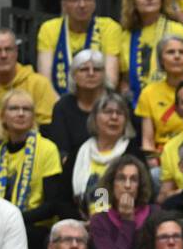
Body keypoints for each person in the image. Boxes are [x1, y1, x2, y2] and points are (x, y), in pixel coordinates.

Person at [0, 89, 66, 249]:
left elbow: (52, 205)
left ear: (33, 117)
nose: (21, 114)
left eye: (27, 109)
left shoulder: (47, 149)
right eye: (14, 109)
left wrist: (14, 220)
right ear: (2, 116)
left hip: (36, 226)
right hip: (0, 226)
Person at [0, 28, 57, 149]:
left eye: (8, 49)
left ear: (16, 52)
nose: (3, 55)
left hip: (33, 153)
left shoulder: (39, 84)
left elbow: (47, 131)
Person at [59, 82, 142, 216]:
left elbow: (144, 195)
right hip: (80, 223)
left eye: (119, 113)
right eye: (108, 112)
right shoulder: (80, 152)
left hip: (123, 220)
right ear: (95, 118)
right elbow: (62, 199)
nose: (114, 117)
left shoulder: (133, 153)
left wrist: (106, 222)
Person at [118, 0, 183, 106]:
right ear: (133, 2)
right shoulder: (126, 35)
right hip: (135, 106)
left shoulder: (176, 29)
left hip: (171, 105)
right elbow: (123, 76)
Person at [36, 0, 121, 96]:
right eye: (75, 0)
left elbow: (110, 80)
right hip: (58, 102)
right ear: (64, 5)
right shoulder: (49, 28)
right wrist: (62, 107)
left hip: (99, 103)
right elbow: (45, 80)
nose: (82, 5)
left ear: (94, 3)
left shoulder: (109, 27)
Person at [87, 154, 158, 249]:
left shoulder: (155, 215)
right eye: (121, 179)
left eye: (133, 180)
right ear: (111, 184)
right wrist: (127, 222)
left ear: (140, 185)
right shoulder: (100, 221)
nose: (127, 185)